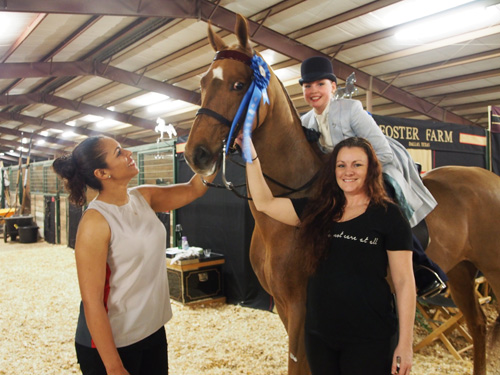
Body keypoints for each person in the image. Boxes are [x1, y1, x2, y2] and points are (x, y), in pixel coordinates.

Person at [238, 135, 415, 375]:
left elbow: (404, 282)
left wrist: (405, 344)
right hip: (320, 337)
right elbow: (264, 202)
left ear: (371, 169)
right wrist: (252, 156)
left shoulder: (388, 216)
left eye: (357, 164)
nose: (348, 172)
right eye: (341, 165)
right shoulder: (318, 209)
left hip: (370, 338)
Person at [52, 136, 215, 375]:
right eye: (118, 152)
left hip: (151, 330)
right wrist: (114, 366)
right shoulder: (96, 221)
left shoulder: (143, 197)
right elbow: (92, 301)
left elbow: (194, 188)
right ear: (102, 173)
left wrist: (219, 148)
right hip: (112, 343)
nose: (129, 152)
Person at [299, 55, 446, 298]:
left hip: (376, 170)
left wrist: (354, 177)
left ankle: (422, 267)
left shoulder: (352, 109)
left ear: (333, 87)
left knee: (384, 202)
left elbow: (383, 153)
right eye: (307, 86)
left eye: (320, 84)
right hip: (339, 181)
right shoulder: (305, 122)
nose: (313, 91)